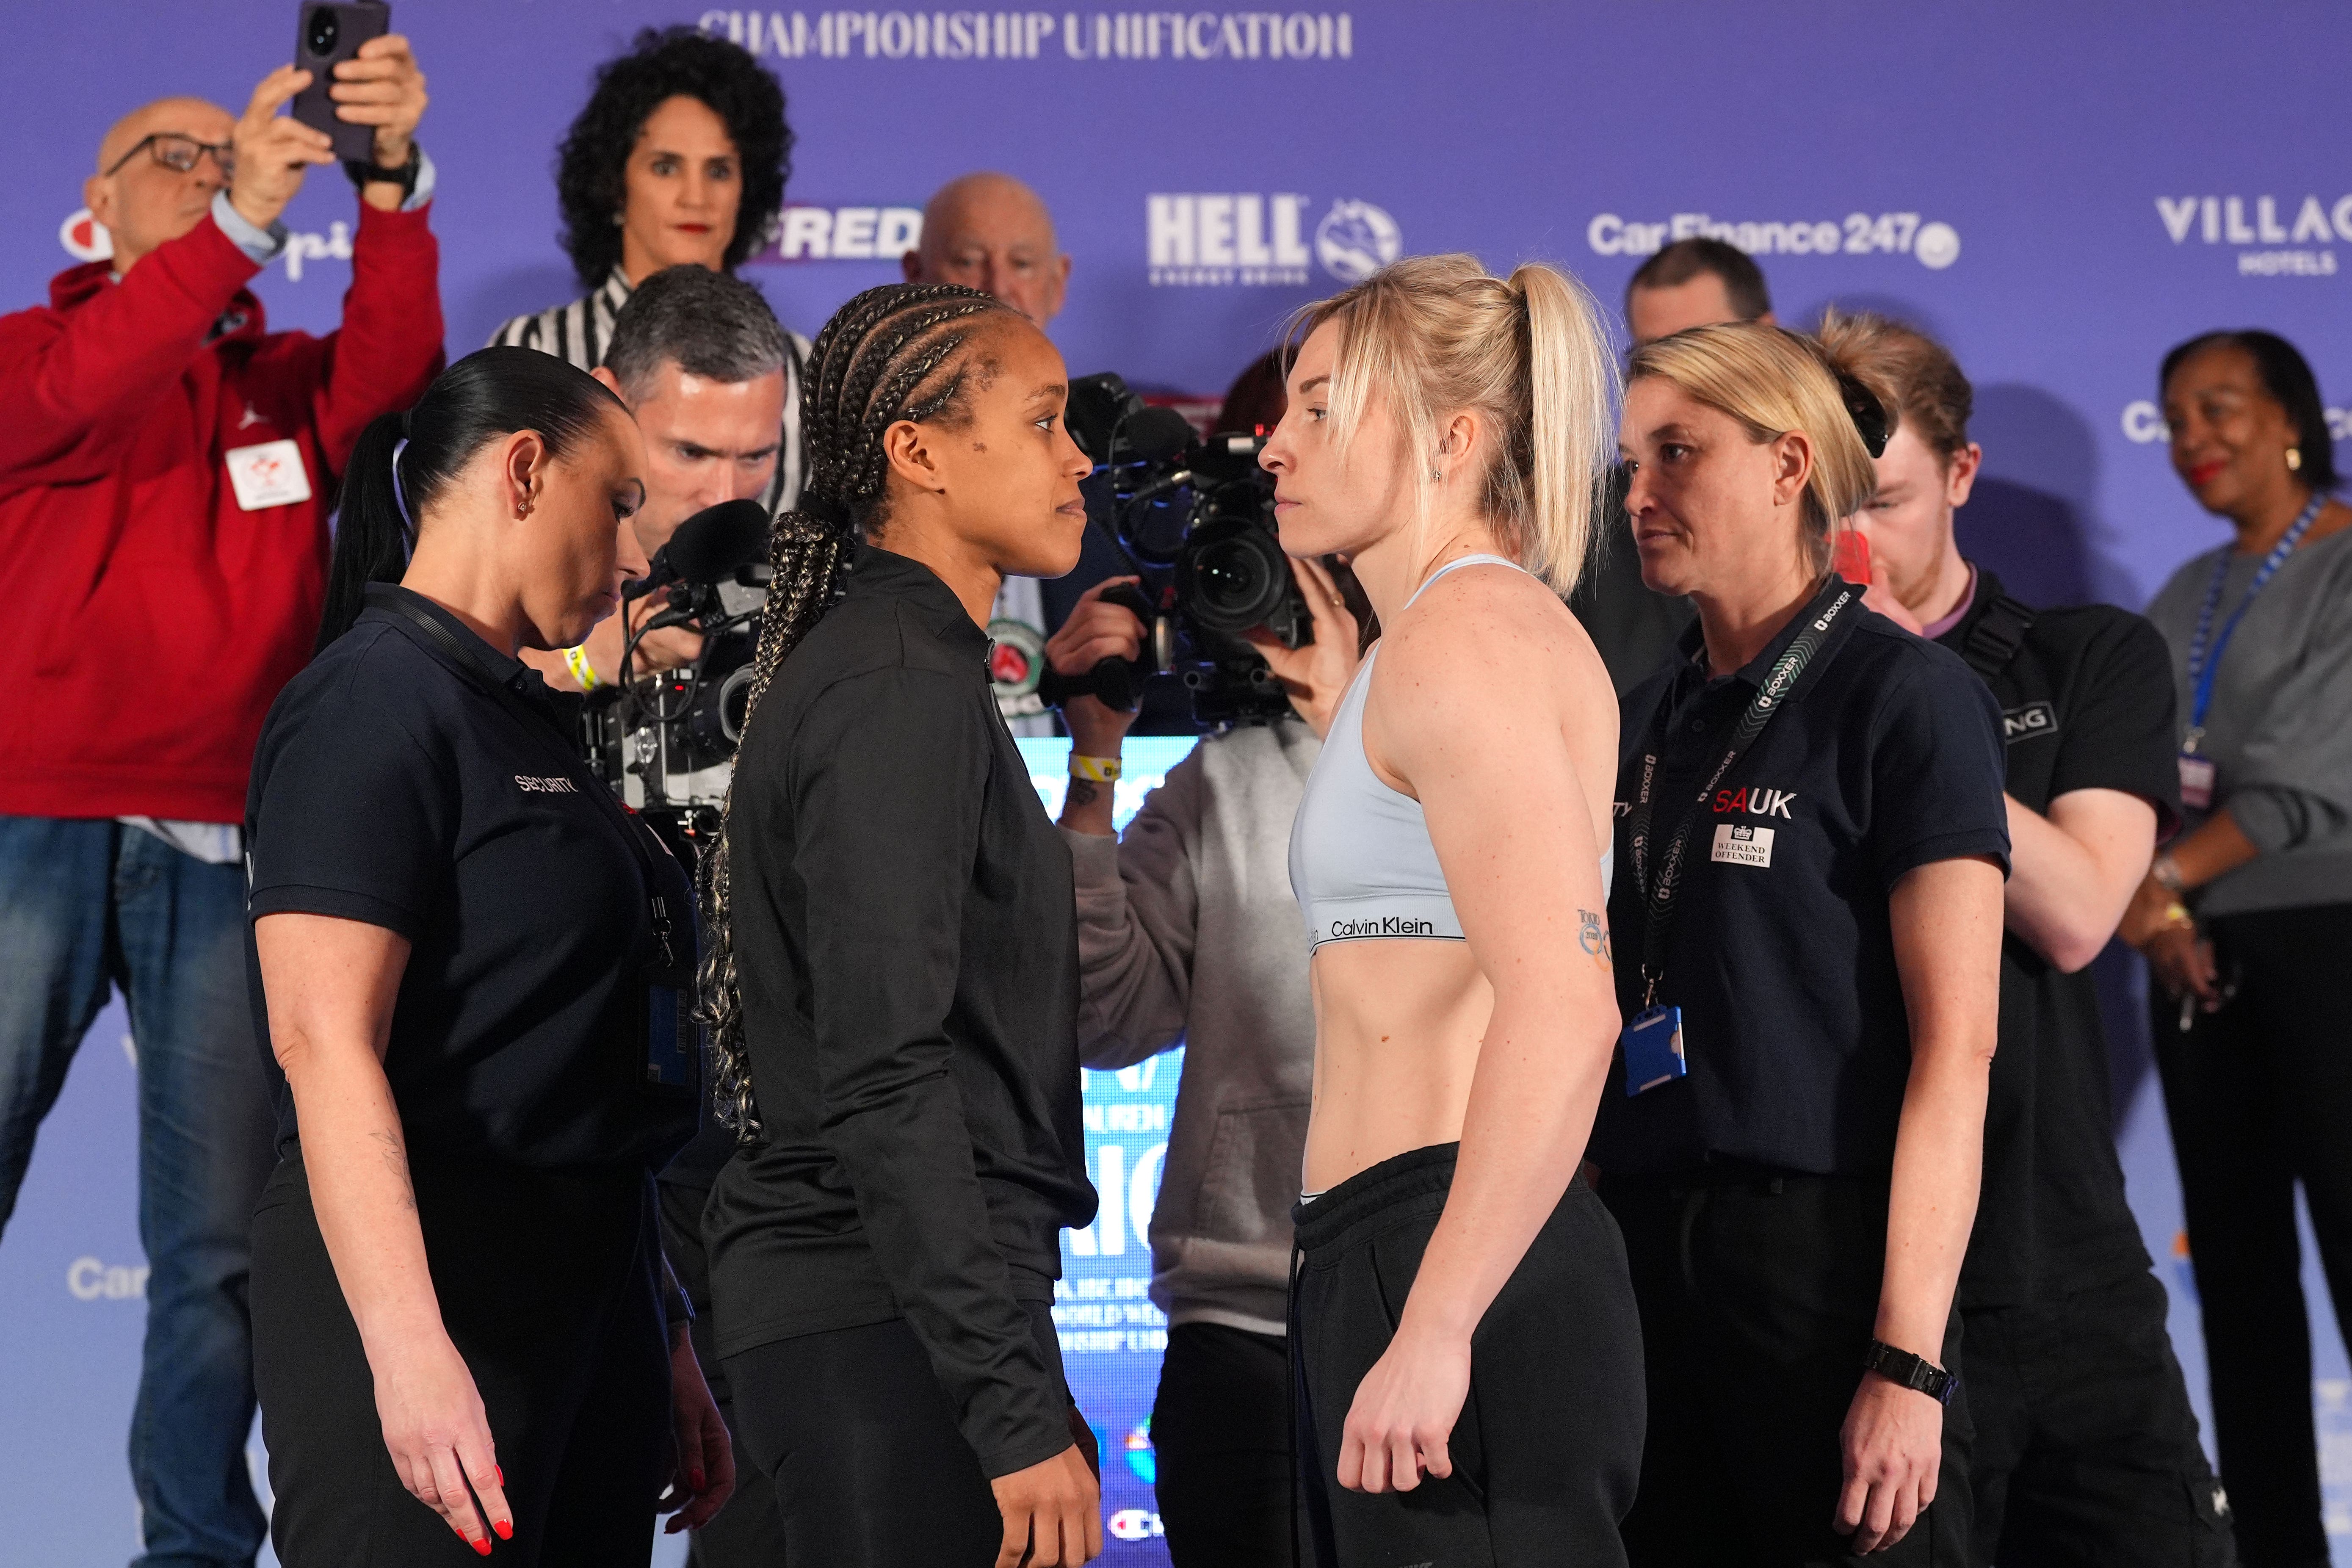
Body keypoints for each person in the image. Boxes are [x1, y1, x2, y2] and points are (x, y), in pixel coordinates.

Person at [0, 43, 441, 1568]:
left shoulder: (274, 385)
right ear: (92, 212)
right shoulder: (22, 357)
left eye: (225, 156)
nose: (209, 171)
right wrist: (239, 224)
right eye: (173, 159)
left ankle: (193, 1550)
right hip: (29, 817)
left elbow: (392, 399)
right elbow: (90, 381)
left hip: (224, 837)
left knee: (213, 1247)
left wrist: (386, 191)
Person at [243, 348, 734, 1565]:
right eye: (621, 502)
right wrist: (407, 1348)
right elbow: (322, 1040)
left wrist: (661, 1324)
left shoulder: (523, 713)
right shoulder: (369, 702)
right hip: (438, 1303)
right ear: (524, 469)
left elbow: (579, 1055)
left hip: (588, 1297)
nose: (637, 556)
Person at [1819, 310, 2234, 1565]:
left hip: (2065, 1264)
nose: (1852, 546)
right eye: (1826, 507)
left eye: (1882, 502)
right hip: (1855, 1283)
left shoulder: (2086, 655)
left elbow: (2077, 913)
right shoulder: (1756, 695)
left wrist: (1895, 683)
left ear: (1960, 476)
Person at [698, 282, 1103, 1567]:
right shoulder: (894, 685)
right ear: (918, 453)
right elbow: (886, 1068)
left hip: (882, 1317)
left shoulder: (900, 664)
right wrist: (1009, 1397)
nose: (1077, 455)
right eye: (1041, 421)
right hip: (883, 1326)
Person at [1596, 321, 2010, 1565]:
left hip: (1831, 1271)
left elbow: (1961, 1050)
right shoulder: (1645, 716)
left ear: (1787, 467)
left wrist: (1905, 1361)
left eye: (1677, 453)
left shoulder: (1905, 697)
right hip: (1653, 1266)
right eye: (1630, 463)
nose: (1641, 493)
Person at [1262, 253, 1643, 1562]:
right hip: (1408, 1250)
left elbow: (1568, 1008)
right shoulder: (1438, 639)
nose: (1272, 445)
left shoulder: (1464, 640)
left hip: (1448, 1259)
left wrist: (1434, 1324)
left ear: (1455, 436)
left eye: (1319, 408)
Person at [1040, 550, 1362, 1567]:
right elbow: (1108, 1021)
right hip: (1243, 1327)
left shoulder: (1480, 752)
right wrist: (1093, 763)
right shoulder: (1219, 779)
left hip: (1441, 1304)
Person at [2123, 328, 2352, 1568]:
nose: (2194, 437)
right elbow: (2138, 778)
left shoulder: (2344, 564)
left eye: (2220, 407)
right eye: (2173, 417)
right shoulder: (2185, 593)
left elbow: (2309, 780)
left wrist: (2153, 884)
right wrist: (2155, 912)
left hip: (2329, 947)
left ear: (2292, 421)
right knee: (2244, 1301)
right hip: (2193, 962)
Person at [489, 27, 804, 515]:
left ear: (749, 190)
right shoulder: (534, 349)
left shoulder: (803, 367)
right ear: (615, 185)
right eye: (665, 167)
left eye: (719, 170)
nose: (695, 197)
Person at [523, 264, 793, 697]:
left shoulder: (800, 586)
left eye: (756, 456)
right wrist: (585, 659)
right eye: (692, 453)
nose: (725, 496)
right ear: (605, 409)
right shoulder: (513, 545)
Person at [901, 170, 1073, 733]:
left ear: (1057, 282)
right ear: (914, 275)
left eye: (1021, 264)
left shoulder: (1116, 468)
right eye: (969, 260)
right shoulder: (861, 470)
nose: (996, 286)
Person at [1572, 238, 1771, 698]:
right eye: (1652, 354)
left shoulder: (1839, 502)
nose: (1672, 376)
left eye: (1698, 349)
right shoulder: (1586, 532)